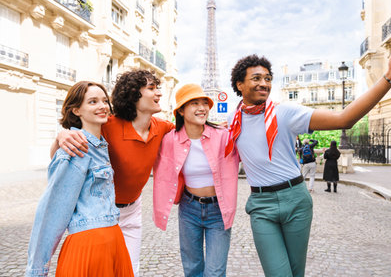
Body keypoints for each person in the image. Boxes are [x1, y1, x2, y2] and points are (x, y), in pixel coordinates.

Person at [225, 34, 391, 276]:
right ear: (239, 84)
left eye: (268, 78)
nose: (264, 83)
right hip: (261, 206)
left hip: (295, 199)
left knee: (296, 273)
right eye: (256, 78)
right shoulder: (232, 121)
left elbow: (344, 118)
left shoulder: (284, 113)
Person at [51, 70, 174, 276]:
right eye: (152, 88)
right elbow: (67, 147)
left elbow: (190, 132)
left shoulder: (163, 127)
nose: (159, 93)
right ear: (134, 94)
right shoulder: (108, 125)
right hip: (101, 213)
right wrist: (60, 137)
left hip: (133, 209)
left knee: (130, 271)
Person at [26, 81, 133, 276]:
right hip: (89, 245)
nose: (102, 106)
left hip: (114, 239)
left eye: (104, 101)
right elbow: (52, 211)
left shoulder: (101, 144)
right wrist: (36, 270)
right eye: (92, 102)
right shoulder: (76, 149)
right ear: (76, 110)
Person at [153, 84, 240, 276]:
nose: (202, 108)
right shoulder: (169, 140)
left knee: (215, 271)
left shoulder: (224, 137)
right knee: (192, 268)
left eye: (204, 103)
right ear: (181, 111)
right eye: (194, 103)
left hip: (219, 209)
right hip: (188, 208)